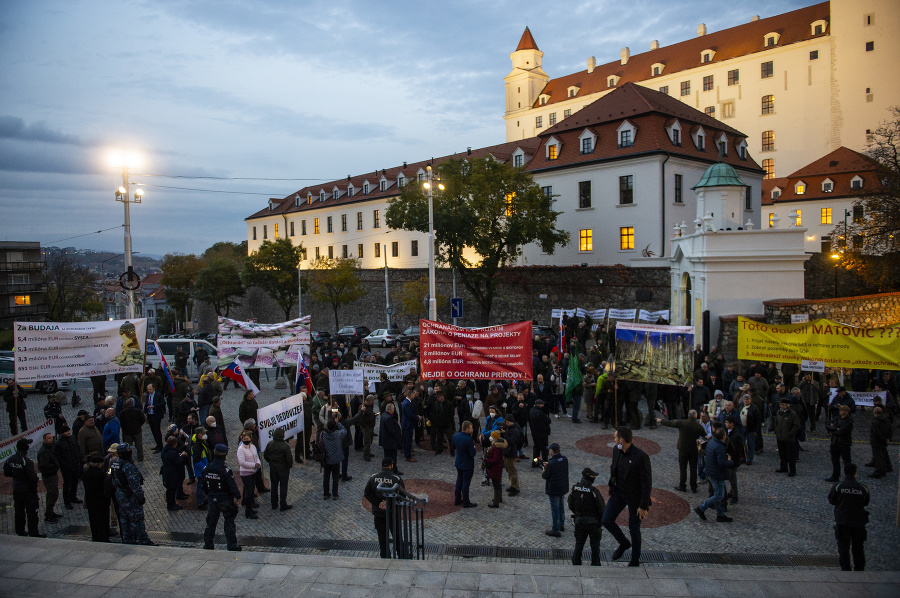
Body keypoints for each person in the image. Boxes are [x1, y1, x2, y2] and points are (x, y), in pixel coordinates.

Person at [602, 427, 651, 566]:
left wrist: (643, 505)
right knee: (606, 520)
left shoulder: (641, 457)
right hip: (619, 493)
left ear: (622, 440)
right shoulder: (616, 451)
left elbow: (646, 483)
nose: (614, 438)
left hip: (634, 497)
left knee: (634, 528)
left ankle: (635, 560)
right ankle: (624, 543)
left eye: (616, 437)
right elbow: (614, 468)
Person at [364, 457, 418, 558]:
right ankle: (402, 554)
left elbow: (367, 493)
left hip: (378, 512)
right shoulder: (396, 478)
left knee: (382, 535)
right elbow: (402, 496)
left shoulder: (373, 478)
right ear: (392, 466)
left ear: (381, 466)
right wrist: (389, 504)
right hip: (393, 512)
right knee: (397, 535)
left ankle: (385, 555)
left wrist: (379, 503)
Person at [828, 463, 870, 571]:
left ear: (844, 472)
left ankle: (846, 570)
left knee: (843, 548)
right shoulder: (863, 488)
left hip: (843, 522)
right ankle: (859, 570)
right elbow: (866, 502)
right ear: (855, 473)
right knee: (858, 548)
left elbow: (832, 500)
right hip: (858, 522)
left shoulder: (838, 487)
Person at [110, 443, 154, 545]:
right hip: (129, 496)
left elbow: (113, 480)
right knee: (137, 518)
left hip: (120, 494)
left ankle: (127, 538)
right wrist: (140, 497)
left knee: (124, 518)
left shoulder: (115, 463)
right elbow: (134, 484)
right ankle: (143, 539)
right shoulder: (128, 466)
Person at [201, 443, 242, 551]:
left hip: (212, 499)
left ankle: (208, 544)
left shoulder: (207, 468)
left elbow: (203, 485)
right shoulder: (225, 470)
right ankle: (232, 545)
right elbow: (232, 485)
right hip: (225, 499)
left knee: (211, 523)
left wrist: (208, 494)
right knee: (229, 522)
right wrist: (237, 496)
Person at [3, 438, 46, 538]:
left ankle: (20, 530)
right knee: (32, 512)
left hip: (17, 489)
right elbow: (32, 477)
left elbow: (6, 472)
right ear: (26, 447)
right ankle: (33, 532)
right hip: (28, 491)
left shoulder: (11, 458)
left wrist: (16, 475)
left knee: (19, 511)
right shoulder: (26, 461)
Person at [568, 467, 605, 566]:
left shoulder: (574, 488)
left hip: (579, 521)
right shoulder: (593, 491)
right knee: (595, 546)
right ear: (589, 477)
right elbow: (601, 507)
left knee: (579, 544)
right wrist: (600, 521)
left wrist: (578, 513)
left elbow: (570, 504)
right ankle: (595, 565)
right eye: (593, 476)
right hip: (593, 523)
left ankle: (576, 563)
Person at [263, 428, 294, 511]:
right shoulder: (285, 446)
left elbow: (265, 455)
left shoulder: (270, 444)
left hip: (273, 469)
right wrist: (288, 466)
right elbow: (289, 459)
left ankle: (274, 504)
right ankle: (283, 504)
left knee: (274, 486)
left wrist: (270, 462)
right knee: (283, 486)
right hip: (283, 469)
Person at [542, 442, 569, 536]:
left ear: (552, 451)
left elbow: (545, 476)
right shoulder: (564, 459)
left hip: (554, 488)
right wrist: (548, 465)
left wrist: (545, 469)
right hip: (563, 486)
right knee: (561, 506)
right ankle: (561, 524)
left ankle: (556, 529)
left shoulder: (552, 464)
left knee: (555, 509)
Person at [81, 455, 110, 542]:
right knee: (102, 521)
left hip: (91, 501)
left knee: (93, 520)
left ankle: (96, 537)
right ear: (98, 464)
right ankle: (104, 538)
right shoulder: (100, 474)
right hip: (101, 502)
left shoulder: (86, 473)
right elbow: (105, 486)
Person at [54, 425, 82, 509]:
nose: (68, 432)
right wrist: (65, 465)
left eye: (69, 430)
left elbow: (77, 448)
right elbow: (58, 457)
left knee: (75, 482)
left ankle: (73, 496)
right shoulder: (59, 443)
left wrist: (78, 458)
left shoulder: (72, 438)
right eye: (66, 431)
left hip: (75, 464)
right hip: (66, 468)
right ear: (62, 433)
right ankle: (67, 501)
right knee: (67, 484)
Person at [36, 432, 62, 523]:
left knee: (51, 494)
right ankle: (48, 515)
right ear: (44, 440)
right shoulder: (44, 451)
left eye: (52, 438)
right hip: (49, 476)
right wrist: (54, 466)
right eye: (49, 438)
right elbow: (43, 466)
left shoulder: (50, 448)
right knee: (53, 494)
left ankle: (50, 512)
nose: (51, 439)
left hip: (52, 474)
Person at [825, 404, 854, 482]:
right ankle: (835, 476)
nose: (840, 412)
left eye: (842, 410)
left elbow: (841, 431)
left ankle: (849, 476)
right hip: (835, 443)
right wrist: (835, 429)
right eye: (840, 410)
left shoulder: (849, 421)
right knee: (835, 460)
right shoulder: (836, 418)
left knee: (846, 461)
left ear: (846, 412)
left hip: (844, 443)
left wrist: (833, 429)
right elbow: (827, 426)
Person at [774, 397, 801, 477]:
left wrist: (790, 434)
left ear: (788, 405)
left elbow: (796, 425)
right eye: (780, 404)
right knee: (782, 454)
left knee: (790, 455)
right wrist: (777, 431)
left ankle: (792, 470)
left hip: (789, 438)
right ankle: (783, 467)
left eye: (782, 404)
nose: (781, 406)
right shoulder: (779, 412)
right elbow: (776, 422)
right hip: (780, 437)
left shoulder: (793, 414)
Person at [237, 430, 261, 518]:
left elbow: (256, 457)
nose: (246, 440)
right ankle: (248, 511)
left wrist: (258, 463)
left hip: (253, 472)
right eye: (244, 438)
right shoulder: (241, 449)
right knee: (248, 493)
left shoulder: (253, 447)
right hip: (246, 473)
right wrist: (253, 465)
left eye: (247, 438)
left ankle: (250, 508)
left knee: (251, 492)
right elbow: (242, 462)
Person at [161, 436, 189, 511]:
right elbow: (178, 462)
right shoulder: (172, 453)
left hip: (167, 473)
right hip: (171, 475)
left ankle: (171, 504)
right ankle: (171, 505)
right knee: (171, 491)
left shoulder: (165, 450)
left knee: (170, 490)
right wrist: (183, 456)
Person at [322, 417, 348, 499]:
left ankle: (326, 493)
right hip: (336, 459)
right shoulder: (338, 434)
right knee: (335, 477)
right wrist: (338, 423)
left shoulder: (323, 434)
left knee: (326, 477)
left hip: (327, 459)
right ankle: (335, 494)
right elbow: (345, 430)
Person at [453, 421, 477, 508]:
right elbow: (473, 453)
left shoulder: (456, 436)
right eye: (471, 428)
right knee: (466, 483)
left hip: (459, 462)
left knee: (459, 481)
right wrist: (474, 448)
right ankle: (466, 502)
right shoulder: (468, 440)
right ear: (467, 429)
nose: (472, 429)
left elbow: (454, 446)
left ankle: (457, 498)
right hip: (467, 464)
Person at [867, 406, 893, 478]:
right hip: (884, 440)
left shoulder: (875, 422)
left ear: (874, 412)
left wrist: (883, 439)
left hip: (876, 441)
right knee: (884, 454)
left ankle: (879, 471)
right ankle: (887, 467)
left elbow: (876, 433)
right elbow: (890, 429)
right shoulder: (886, 420)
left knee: (878, 456)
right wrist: (888, 438)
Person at [483, 431, 506, 508]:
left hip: (495, 468)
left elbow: (495, 460)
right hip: (498, 467)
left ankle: (496, 503)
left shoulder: (496, 447)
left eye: (491, 436)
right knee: (498, 483)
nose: (490, 437)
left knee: (496, 484)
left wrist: (485, 460)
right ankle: (499, 498)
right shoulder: (499, 446)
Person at [379, 403, 403, 474]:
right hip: (390, 441)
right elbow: (392, 431)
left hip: (386, 441)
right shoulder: (389, 418)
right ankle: (393, 469)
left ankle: (387, 468)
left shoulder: (384, 415)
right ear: (391, 409)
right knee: (392, 456)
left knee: (387, 455)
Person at [191, 426, 210, 509]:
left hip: (203, 468)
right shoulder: (197, 446)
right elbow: (196, 460)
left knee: (203, 485)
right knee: (200, 486)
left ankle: (202, 499)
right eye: (203, 433)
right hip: (201, 470)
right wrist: (204, 467)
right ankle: (200, 502)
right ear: (199, 435)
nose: (205, 434)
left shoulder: (201, 442)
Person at [144, 383, 166, 453]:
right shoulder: (148, 396)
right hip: (150, 415)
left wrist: (154, 406)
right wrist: (144, 412)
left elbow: (163, 403)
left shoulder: (158, 395)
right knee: (153, 431)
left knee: (157, 431)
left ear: (154, 389)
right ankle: (157, 444)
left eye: (150, 389)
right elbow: (146, 404)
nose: (149, 391)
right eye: (148, 389)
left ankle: (160, 446)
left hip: (156, 415)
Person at [529, 399, 552, 466]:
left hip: (534, 433)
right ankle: (545, 461)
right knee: (544, 448)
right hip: (542, 433)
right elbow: (548, 420)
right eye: (542, 404)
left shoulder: (532, 410)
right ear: (538, 405)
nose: (543, 405)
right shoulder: (539, 413)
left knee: (536, 448)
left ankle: (535, 460)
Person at [502, 419, 521, 496]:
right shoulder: (509, 428)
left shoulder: (515, 430)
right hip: (507, 452)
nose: (506, 424)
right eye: (506, 422)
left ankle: (516, 487)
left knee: (512, 471)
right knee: (509, 470)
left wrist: (505, 433)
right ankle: (512, 485)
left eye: (507, 422)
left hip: (511, 452)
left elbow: (510, 441)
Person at [400, 392, 419, 462]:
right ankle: (408, 456)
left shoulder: (405, 402)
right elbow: (410, 414)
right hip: (408, 424)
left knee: (406, 440)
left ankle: (407, 453)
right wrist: (417, 417)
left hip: (406, 424)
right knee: (408, 440)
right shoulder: (408, 403)